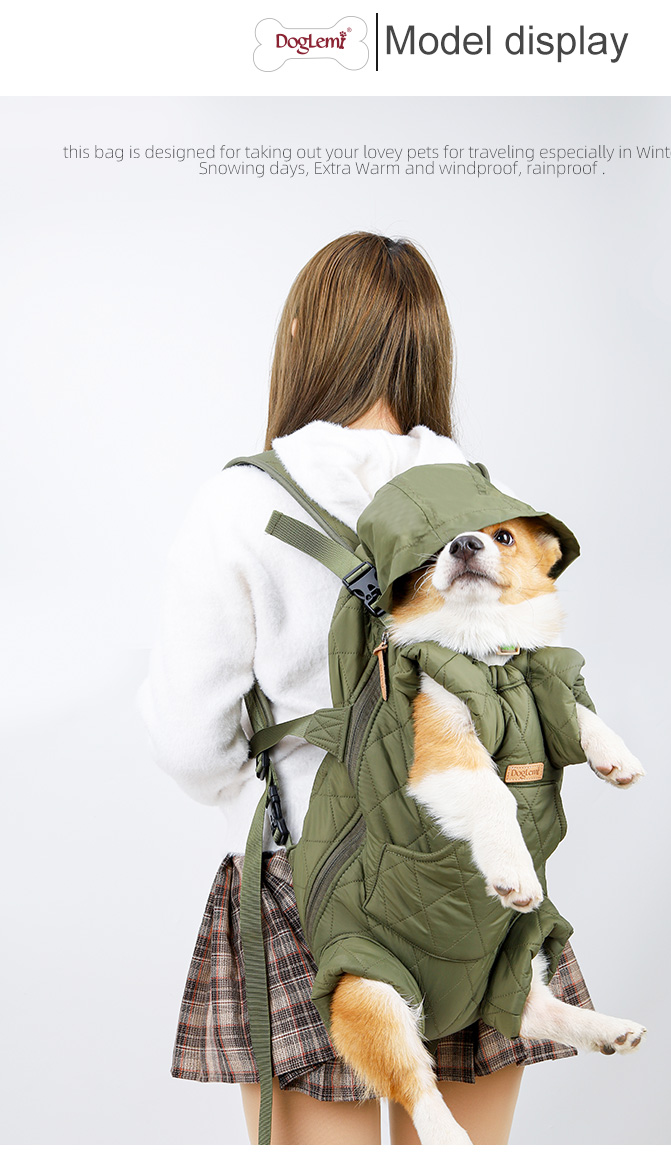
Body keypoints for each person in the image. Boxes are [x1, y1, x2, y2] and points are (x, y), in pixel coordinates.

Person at [139, 232, 595, 1145]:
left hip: (307, 877)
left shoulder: (240, 503)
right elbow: (534, 690)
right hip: (473, 880)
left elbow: (190, 743)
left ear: (302, 333)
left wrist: (284, 788)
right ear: (430, 346)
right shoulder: (491, 505)